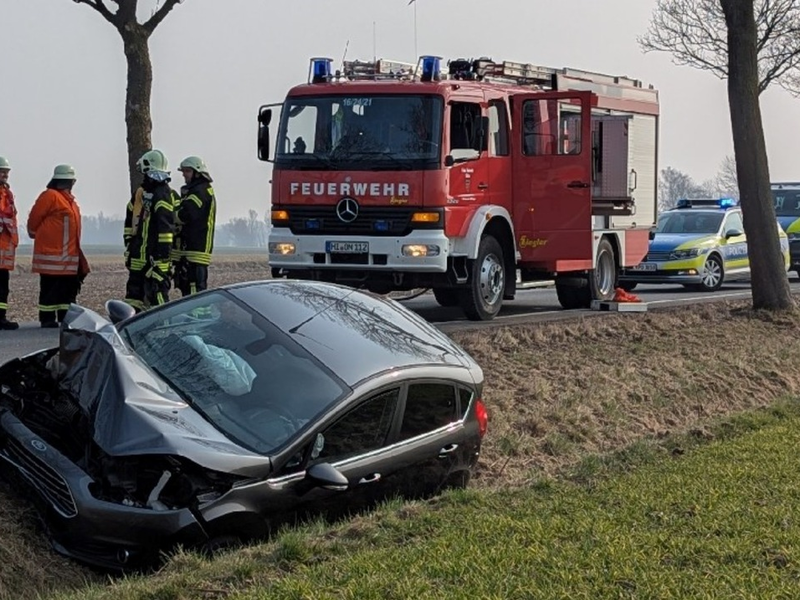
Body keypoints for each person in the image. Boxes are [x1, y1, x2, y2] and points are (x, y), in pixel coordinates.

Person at [27, 165, 86, 328]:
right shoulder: (50, 196)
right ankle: (47, 319)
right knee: (50, 290)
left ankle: (64, 318)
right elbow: (34, 221)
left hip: (67, 257)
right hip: (52, 257)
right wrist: (35, 234)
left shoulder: (69, 201)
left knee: (66, 293)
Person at [124, 149, 177, 310]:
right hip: (138, 257)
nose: (143, 178)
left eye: (145, 174)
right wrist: (129, 246)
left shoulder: (162, 194)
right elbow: (130, 222)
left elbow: (165, 230)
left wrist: (162, 257)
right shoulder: (142, 194)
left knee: (158, 294)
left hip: (154, 259)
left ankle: (163, 327)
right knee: (133, 297)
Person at [174, 156, 216, 296]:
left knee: (194, 290)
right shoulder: (197, 190)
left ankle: (196, 317)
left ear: (197, 173)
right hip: (191, 248)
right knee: (189, 286)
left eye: (187, 171)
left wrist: (169, 216)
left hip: (196, 248)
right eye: (183, 171)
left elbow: (186, 215)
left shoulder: (200, 192)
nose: (184, 175)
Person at [0, 156, 19, 330]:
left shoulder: (7, 193)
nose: (5, 174)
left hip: (4, 249)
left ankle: (1, 317)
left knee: (3, 285)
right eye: (2, 171)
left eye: (6, 171)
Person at [122, 182, 145, 311]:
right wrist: (129, 242)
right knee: (134, 294)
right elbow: (129, 220)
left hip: (149, 254)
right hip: (137, 251)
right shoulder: (138, 195)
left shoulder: (164, 195)